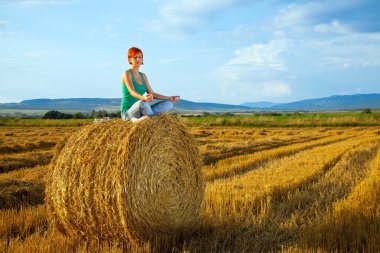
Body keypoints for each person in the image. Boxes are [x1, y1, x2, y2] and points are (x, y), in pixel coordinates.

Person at [120, 47, 180, 123]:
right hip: (128, 113)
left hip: (142, 109)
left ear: (142, 59)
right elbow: (132, 92)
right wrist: (143, 98)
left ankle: (144, 119)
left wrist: (169, 98)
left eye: (140, 57)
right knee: (142, 103)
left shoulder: (143, 76)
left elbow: (152, 94)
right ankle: (151, 122)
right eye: (135, 57)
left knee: (168, 104)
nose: (138, 59)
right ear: (130, 59)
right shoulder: (127, 73)